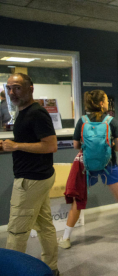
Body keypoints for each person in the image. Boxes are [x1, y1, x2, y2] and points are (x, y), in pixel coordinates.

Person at [57, 90, 118, 249]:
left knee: (78, 201)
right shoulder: (111, 121)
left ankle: (65, 238)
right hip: (108, 165)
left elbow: (76, 145)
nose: (108, 102)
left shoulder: (81, 121)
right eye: (106, 100)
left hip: (86, 166)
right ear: (101, 104)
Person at [0, 73, 59, 275]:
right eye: (8, 88)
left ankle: (10, 272)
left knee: (16, 231)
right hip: (37, 176)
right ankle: (51, 268)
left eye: (16, 87)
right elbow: (29, 142)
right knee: (45, 226)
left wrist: (15, 145)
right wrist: (9, 147)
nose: (11, 92)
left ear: (30, 88)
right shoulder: (22, 112)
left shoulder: (37, 113)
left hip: (31, 180)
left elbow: (51, 145)